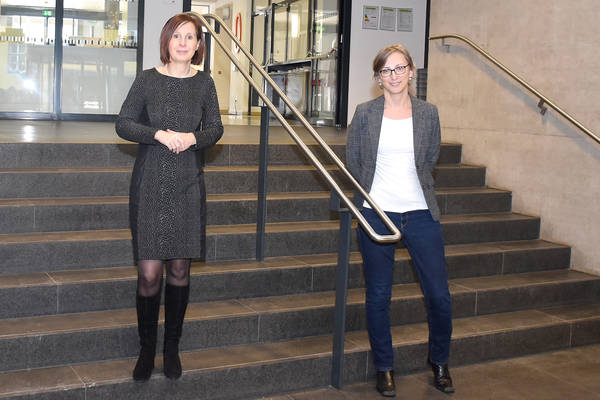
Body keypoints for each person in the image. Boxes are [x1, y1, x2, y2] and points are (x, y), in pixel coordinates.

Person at [115, 13, 223, 381]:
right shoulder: (147, 79)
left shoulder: (205, 83)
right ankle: (146, 349)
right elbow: (123, 123)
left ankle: (171, 348)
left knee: (179, 269)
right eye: (177, 36)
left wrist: (192, 138)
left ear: (198, 45)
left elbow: (216, 128)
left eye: (190, 37)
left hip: (187, 183)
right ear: (167, 41)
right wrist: (158, 134)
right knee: (149, 274)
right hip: (149, 183)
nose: (183, 43)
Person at [346, 44, 454, 397]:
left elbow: (430, 158)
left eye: (399, 68)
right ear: (378, 78)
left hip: (420, 214)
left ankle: (440, 362)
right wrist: (368, 203)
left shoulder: (428, 113)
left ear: (411, 71)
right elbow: (354, 160)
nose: (393, 75)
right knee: (379, 296)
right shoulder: (364, 113)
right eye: (386, 70)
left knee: (439, 296)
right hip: (377, 213)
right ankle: (385, 367)